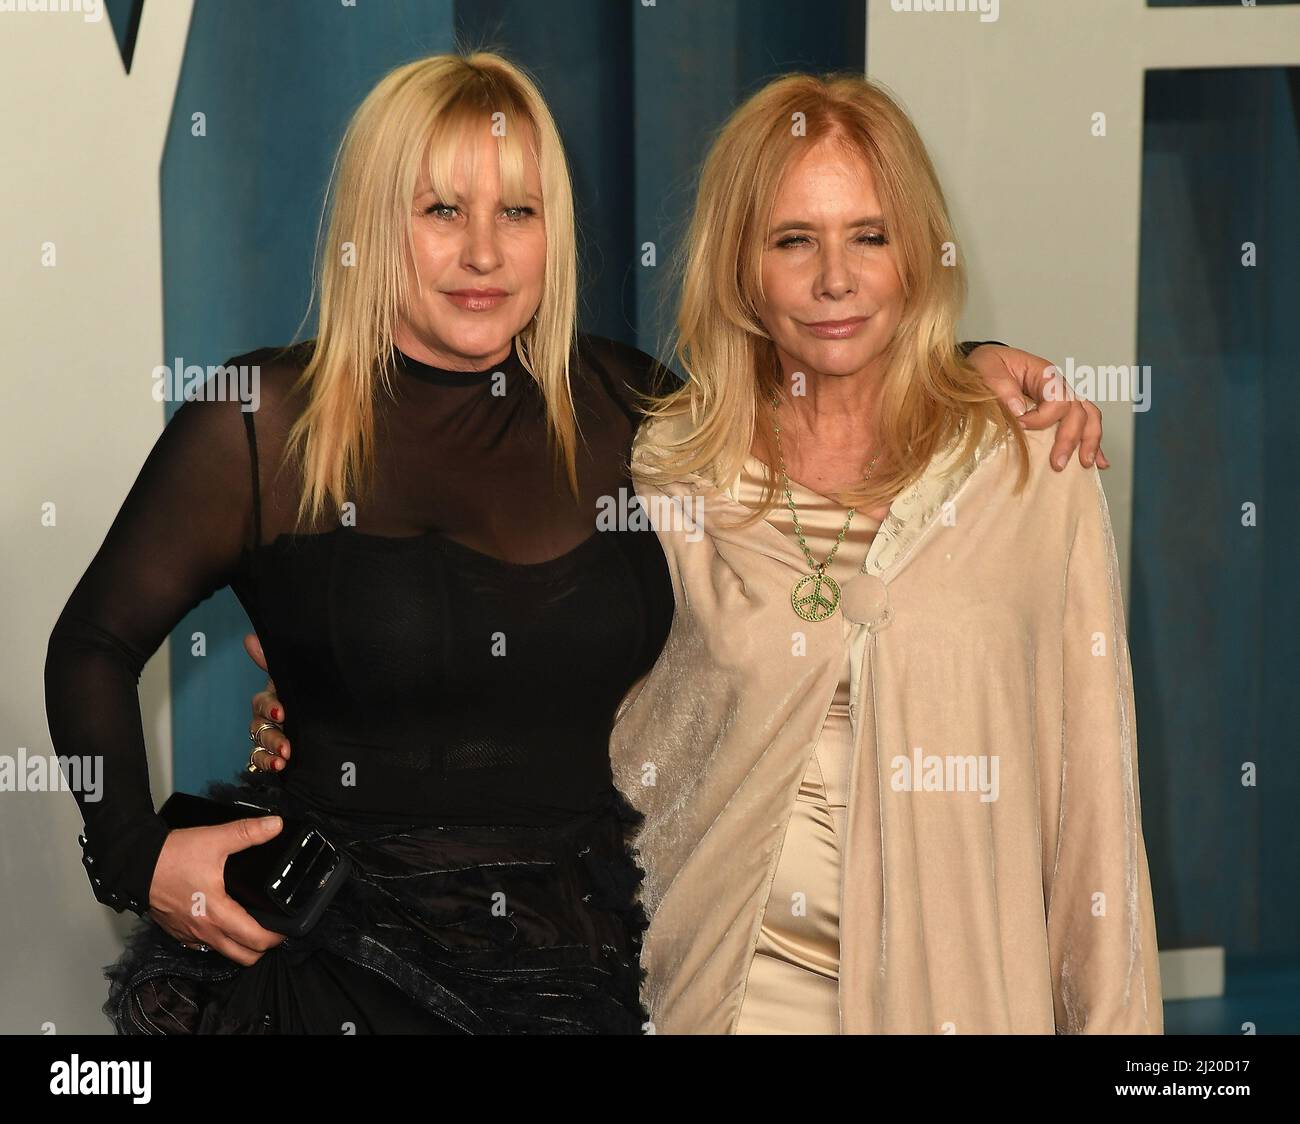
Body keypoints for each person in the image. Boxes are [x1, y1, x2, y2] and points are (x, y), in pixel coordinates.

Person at [46, 51, 678, 1035]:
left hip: (584, 967)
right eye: (442, 211)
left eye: (517, 211)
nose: (484, 253)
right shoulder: (262, 422)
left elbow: (809, 506)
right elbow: (91, 644)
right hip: (329, 970)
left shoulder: (634, 407)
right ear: (373, 226)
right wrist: (134, 855)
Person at [608, 72, 1162, 1034]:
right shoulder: (669, 469)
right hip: (728, 1003)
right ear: (739, 266)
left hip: (965, 1001)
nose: (836, 279)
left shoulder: (1029, 468)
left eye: (870, 235)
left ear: (919, 253)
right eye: (793, 240)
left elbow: (1096, 816)